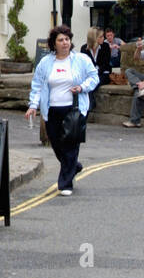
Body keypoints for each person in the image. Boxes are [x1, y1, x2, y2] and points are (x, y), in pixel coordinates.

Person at [25, 25, 98, 196]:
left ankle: (65, 184)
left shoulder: (81, 60)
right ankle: (74, 166)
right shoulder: (45, 63)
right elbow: (37, 86)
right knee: (57, 145)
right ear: (54, 43)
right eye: (60, 40)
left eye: (67, 39)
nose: (65, 43)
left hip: (74, 109)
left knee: (71, 146)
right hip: (52, 110)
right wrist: (33, 105)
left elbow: (94, 77)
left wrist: (82, 87)